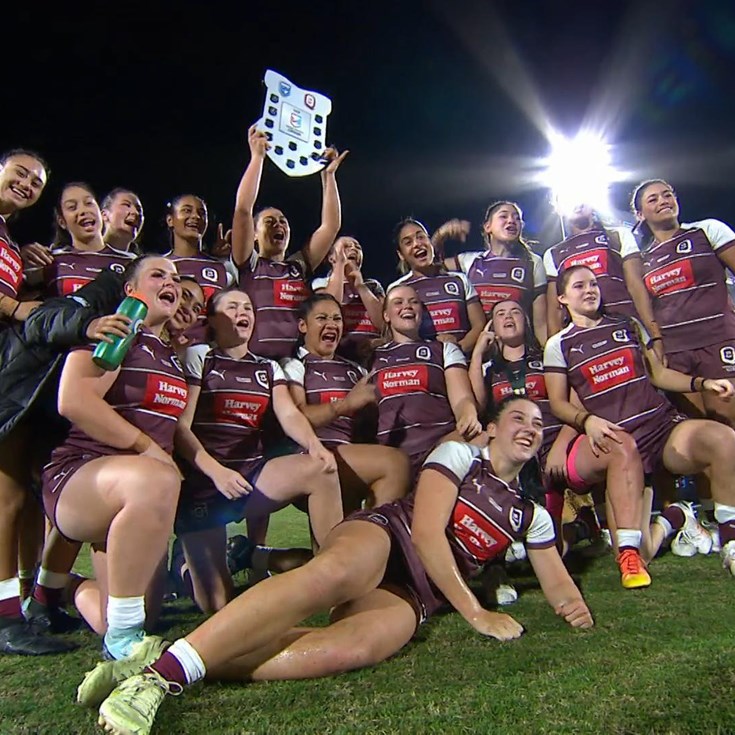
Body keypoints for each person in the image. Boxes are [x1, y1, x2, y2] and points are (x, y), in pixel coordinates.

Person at [82, 396, 592, 735]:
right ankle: (161, 680)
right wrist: (477, 614)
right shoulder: (459, 455)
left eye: (537, 423)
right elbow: (429, 535)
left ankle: (156, 660)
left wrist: (575, 609)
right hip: (389, 536)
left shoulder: (532, 514)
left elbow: (559, 584)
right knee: (336, 574)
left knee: (357, 646)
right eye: (517, 418)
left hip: (416, 593)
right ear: (496, 426)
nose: (528, 428)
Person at [544, 264, 735, 588]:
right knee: (641, 549)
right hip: (618, 445)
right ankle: (678, 517)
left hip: (659, 428)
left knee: (723, 439)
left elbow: (658, 375)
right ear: (562, 297)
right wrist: (587, 421)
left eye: (593, 283)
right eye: (579, 286)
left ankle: (730, 541)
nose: (589, 290)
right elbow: (559, 403)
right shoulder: (559, 344)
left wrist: (703, 383)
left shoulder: (626, 324)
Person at [40, 256, 187, 660]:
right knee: (158, 478)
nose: (170, 281)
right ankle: (124, 648)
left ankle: (58, 589)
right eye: (157, 274)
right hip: (80, 477)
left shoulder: (171, 355)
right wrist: (147, 449)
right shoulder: (120, 330)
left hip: (133, 493)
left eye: (175, 277)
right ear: (130, 291)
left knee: (132, 612)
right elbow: (73, 400)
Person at [173, 288, 343, 613]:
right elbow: (180, 428)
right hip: (205, 483)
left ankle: (333, 578)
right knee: (216, 604)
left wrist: (315, 445)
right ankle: (184, 570)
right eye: (233, 306)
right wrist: (216, 471)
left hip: (252, 478)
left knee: (321, 469)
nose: (244, 312)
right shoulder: (200, 357)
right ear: (212, 320)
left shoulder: (269, 368)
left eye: (248, 307)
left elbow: (290, 413)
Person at [283, 293, 410, 514]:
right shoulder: (294, 365)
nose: (331, 324)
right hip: (312, 455)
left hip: (351, 457)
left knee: (331, 542)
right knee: (395, 463)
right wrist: (344, 405)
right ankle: (377, 533)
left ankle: (256, 551)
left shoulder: (356, 370)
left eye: (337, 318)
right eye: (322, 318)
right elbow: (295, 416)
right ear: (303, 325)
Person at [622, 179, 735, 425]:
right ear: (640, 214)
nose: (663, 201)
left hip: (719, 342)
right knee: (703, 430)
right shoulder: (641, 259)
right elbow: (642, 305)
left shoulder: (706, 230)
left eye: (667, 195)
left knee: (728, 422)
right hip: (675, 353)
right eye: (653, 199)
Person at [230, 124, 347, 360]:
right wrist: (257, 158)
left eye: (283, 221)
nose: (279, 225)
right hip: (255, 365)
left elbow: (330, 227)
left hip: (296, 368)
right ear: (254, 233)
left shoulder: (298, 267)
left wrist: (329, 176)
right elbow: (243, 210)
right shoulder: (248, 264)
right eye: (269, 221)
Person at [369, 285, 482, 477]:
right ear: (386, 316)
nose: (408, 306)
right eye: (398, 302)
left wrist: (468, 414)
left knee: (486, 440)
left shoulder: (444, 349)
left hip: (440, 443)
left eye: (414, 302)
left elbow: (462, 398)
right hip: (392, 455)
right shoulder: (372, 357)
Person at [434, 202, 547, 344]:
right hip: (478, 351)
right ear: (488, 227)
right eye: (503, 216)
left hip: (516, 350)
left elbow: (540, 323)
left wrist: (546, 355)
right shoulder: (469, 261)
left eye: (517, 218)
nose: (511, 220)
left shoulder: (533, 262)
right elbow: (428, 267)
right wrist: (441, 235)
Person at [543, 203, 644, 336]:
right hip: (586, 336)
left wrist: (653, 333)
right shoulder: (553, 253)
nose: (577, 203)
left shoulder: (618, 235)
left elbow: (636, 286)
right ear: (559, 209)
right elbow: (555, 309)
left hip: (626, 326)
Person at [388, 218, 486, 355]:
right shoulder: (397, 289)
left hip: (465, 362)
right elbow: (398, 336)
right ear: (401, 254)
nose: (417, 244)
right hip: (424, 364)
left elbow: (479, 324)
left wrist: (457, 350)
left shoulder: (459, 279)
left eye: (421, 237)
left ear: (430, 242)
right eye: (408, 242)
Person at [41, 183, 135, 297]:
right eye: (72, 207)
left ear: (100, 212)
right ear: (62, 222)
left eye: (89, 203)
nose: (83, 211)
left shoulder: (131, 263)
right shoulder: (51, 261)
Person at [311, 236, 384, 363]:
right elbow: (328, 310)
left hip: (373, 356)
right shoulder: (321, 283)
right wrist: (339, 264)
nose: (353, 248)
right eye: (346, 246)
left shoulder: (372, 286)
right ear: (330, 257)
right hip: (340, 357)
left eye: (358, 247)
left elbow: (384, 323)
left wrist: (360, 287)